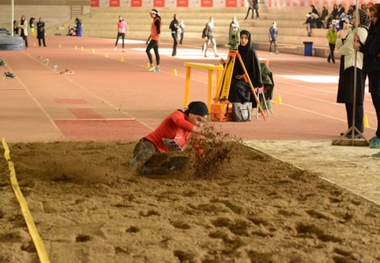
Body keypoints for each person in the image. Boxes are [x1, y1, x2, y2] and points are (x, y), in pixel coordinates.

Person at [129, 101, 209, 175]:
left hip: (161, 155)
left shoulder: (195, 134)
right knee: (147, 152)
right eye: (198, 120)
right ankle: (134, 165)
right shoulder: (178, 114)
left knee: (187, 162)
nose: (200, 125)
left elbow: (198, 149)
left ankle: (150, 169)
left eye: (203, 122)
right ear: (191, 114)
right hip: (149, 144)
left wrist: (204, 163)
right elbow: (179, 122)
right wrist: (201, 131)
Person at [336, 9, 370, 138]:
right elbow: (339, 43)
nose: (354, 20)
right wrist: (344, 43)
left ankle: (358, 129)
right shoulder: (351, 31)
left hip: (356, 66)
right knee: (349, 99)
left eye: (357, 18)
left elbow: (347, 49)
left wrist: (343, 44)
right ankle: (351, 127)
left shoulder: (361, 31)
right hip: (347, 66)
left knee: (356, 100)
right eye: (353, 17)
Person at [354, 4, 380, 150]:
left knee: (379, 102)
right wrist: (361, 45)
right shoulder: (373, 29)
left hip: (377, 69)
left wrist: (364, 47)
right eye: (370, 16)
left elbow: (372, 48)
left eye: (374, 16)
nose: (372, 18)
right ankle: (379, 134)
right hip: (372, 69)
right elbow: (371, 49)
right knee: (377, 103)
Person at [220, 30, 262, 106]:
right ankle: (229, 106)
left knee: (238, 86)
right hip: (238, 77)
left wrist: (244, 76)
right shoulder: (237, 50)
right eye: (241, 38)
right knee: (227, 83)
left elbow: (255, 71)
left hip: (249, 78)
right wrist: (225, 64)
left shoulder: (251, 52)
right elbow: (235, 67)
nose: (243, 40)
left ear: (249, 40)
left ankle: (242, 106)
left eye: (246, 38)